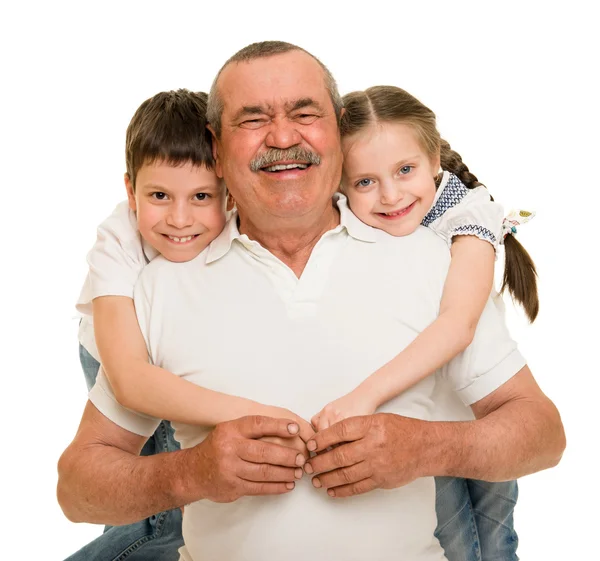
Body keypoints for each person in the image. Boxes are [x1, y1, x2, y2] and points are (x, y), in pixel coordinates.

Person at [58, 41, 565, 561]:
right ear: (215, 145)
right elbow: (77, 489)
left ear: (338, 129)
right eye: (253, 120)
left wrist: (425, 448)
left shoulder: (435, 262)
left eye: (304, 113)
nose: (282, 137)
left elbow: (543, 433)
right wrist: (192, 472)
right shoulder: (156, 286)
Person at [69, 88, 313, 561]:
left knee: (144, 511)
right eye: (159, 196)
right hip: (119, 358)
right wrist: (248, 413)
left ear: (230, 187)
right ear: (130, 191)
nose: (179, 219)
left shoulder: (248, 210)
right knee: (164, 521)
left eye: (201, 196)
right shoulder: (118, 241)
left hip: (174, 354)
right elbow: (130, 379)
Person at [308, 84, 539, 559]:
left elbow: (458, 324)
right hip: (424, 423)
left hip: (478, 421)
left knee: (494, 542)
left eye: (405, 170)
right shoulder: (343, 220)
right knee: (449, 540)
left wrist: (362, 395)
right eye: (365, 182)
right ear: (340, 184)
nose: (391, 195)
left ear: (434, 159)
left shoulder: (468, 215)